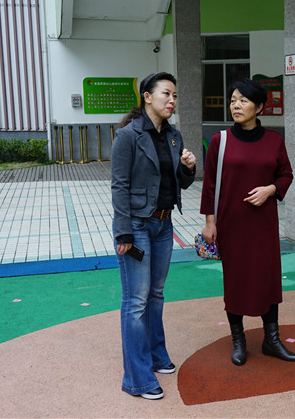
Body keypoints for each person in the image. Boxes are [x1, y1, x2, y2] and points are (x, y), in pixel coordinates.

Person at [200, 78, 295, 366]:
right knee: (236, 280)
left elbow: (286, 175)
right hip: (231, 225)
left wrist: (271, 190)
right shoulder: (220, 141)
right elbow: (209, 185)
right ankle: (238, 341)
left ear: (259, 107)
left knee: (268, 278)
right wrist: (210, 223)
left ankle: (272, 340)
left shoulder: (274, 141)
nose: (236, 105)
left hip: (263, 224)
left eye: (243, 100)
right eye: (233, 100)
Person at [111, 72, 196, 400]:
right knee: (136, 301)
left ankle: (157, 355)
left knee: (156, 295)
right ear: (147, 96)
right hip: (137, 226)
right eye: (166, 94)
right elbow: (119, 185)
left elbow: (180, 182)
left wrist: (187, 167)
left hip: (163, 225)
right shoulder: (128, 136)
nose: (172, 100)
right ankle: (138, 378)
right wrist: (123, 231)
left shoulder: (173, 136)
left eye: (175, 95)